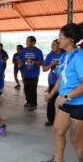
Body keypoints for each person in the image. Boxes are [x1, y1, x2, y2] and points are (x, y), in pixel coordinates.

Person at [43, 23, 83, 162]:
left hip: (79, 104)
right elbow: (60, 78)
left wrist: (67, 96)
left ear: (70, 39)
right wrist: (51, 94)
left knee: (77, 142)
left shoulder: (79, 57)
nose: (58, 40)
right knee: (58, 131)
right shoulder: (64, 57)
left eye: (60, 37)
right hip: (65, 102)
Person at [42, 40, 64, 127]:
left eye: (54, 45)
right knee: (50, 101)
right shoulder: (50, 55)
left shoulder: (65, 53)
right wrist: (52, 64)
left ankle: (66, 119)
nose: (52, 46)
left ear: (59, 45)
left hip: (64, 84)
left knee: (66, 101)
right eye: (51, 45)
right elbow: (44, 69)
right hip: (53, 82)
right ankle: (51, 120)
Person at [18, 36, 44, 112]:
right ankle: (28, 101)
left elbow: (41, 62)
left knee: (33, 89)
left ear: (33, 42)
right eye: (26, 41)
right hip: (25, 73)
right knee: (26, 88)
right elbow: (20, 58)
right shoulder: (24, 50)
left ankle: (34, 104)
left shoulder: (38, 51)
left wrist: (33, 61)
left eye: (28, 41)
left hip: (34, 74)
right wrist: (19, 63)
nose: (27, 42)